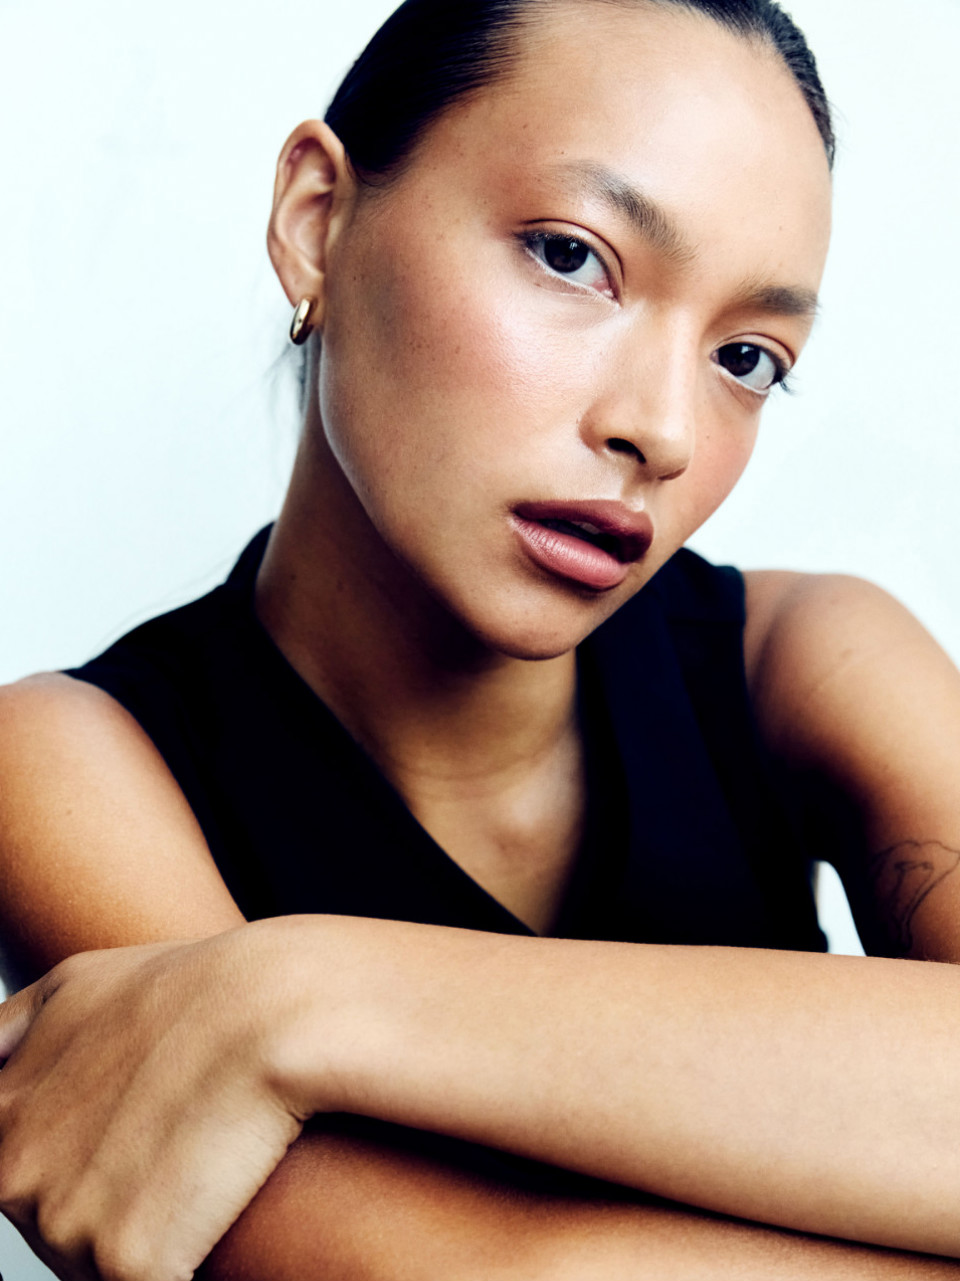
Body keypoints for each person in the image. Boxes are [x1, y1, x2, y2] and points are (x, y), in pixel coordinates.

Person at [2, 1, 960, 1278]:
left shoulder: (808, 659)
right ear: (317, 221)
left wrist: (299, 995)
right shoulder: (66, 762)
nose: (664, 430)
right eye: (573, 257)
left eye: (746, 356)